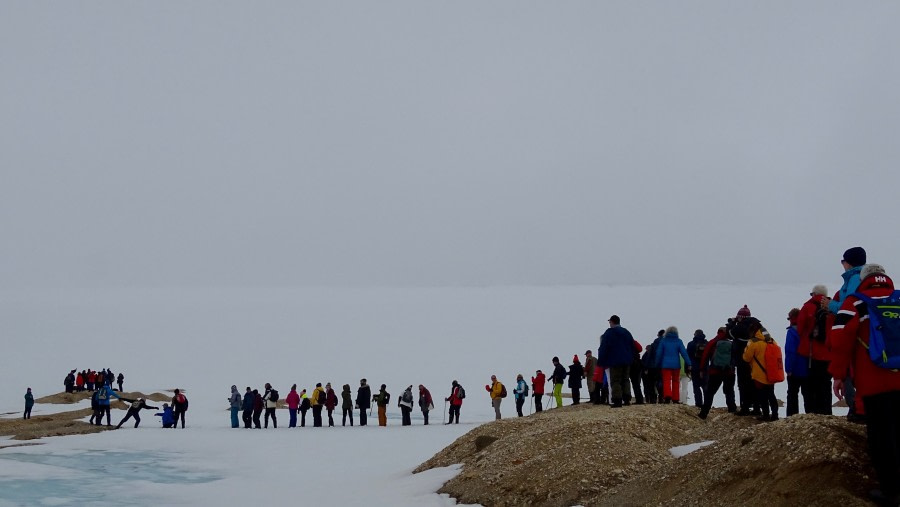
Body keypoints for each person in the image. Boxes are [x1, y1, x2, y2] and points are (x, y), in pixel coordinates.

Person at [829, 264, 900, 504]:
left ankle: (891, 491)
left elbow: (839, 340)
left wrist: (838, 375)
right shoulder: (898, 299)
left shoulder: (855, 302)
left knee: (881, 437)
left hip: (874, 382)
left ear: (863, 279)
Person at [826, 247, 867, 423]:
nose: (842, 265)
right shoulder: (859, 278)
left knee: (853, 377)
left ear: (848, 263)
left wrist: (830, 305)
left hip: (854, 337)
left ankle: (858, 412)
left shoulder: (854, 279)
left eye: (843, 261)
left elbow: (848, 309)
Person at [797, 284, 833, 415]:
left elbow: (800, 328)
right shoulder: (831, 306)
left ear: (813, 294)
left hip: (812, 353)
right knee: (826, 383)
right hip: (829, 353)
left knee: (813, 384)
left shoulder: (808, 307)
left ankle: (815, 413)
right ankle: (827, 411)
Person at [742, 319, 779, 421]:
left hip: (759, 374)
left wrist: (745, 350)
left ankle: (766, 415)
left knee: (762, 395)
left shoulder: (753, 342)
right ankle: (775, 414)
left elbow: (746, 358)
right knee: (771, 394)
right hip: (771, 372)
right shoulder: (771, 340)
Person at [597, 315, 637, 408]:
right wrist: (631, 358)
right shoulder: (626, 332)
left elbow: (604, 348)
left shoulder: (609, 333)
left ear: (612, 322)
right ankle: (627, 399)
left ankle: (617, 400)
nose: (609, 324)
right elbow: (632, 346)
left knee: (615, 380)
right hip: (627, 360)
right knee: (626, 379)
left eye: (609, 322)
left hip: (614, 360)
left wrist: (601, 361)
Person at [697, 326, 737, 419]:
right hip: (729, 372)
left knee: (710, 392)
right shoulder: (731, 343)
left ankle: (704, 413)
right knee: (729, 391)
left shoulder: (712, 342)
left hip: (715, 372)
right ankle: (732, 410)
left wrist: (702, 369)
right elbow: (736, 357)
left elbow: (705, 356)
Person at [728, 305, 757, 415]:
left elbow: (730, 334)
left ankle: (744, 408)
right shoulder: (756, 326)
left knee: (742, 384)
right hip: (754, 361)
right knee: (753, 383)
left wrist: (732, 323)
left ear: (741, 317)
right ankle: (756, 407)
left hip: (742, 360)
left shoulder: (740, 327)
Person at [654, 326, 692, 403]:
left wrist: (656, 363)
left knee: (666, 380)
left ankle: (667, 396)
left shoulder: (663, 341)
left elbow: (658, 353)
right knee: (676, 381)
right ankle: (675, 398)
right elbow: (684, 353)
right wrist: (689, 363)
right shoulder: (679, 341)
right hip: (676, 365)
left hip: (665, 365)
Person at [784, 308, 809, 416]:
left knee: (792, 394)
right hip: (808, 368)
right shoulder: (808, 331)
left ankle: (792, 417)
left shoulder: (792, 332)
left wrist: (788, 369)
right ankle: (810, 416)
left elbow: (790, 352)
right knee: (808, 394)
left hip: (795, 369)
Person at [686, 330, 708, 408]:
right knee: (705, 386)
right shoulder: (707, 343)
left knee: (696, 386)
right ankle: (707, 403)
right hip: (705, 368)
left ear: (695, 334)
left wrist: (687, 368)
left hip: (694, 368)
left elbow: (687, 357)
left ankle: (698, 403)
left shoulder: (691, 344)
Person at [642, 330, 664, 404]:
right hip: (661, 366)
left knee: (651, 383)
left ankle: (653, 399)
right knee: (660, 382)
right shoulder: (666, 343)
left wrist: (646, 367)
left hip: (652, 366)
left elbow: (649, 356)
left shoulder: (654, 344)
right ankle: (661, 398)